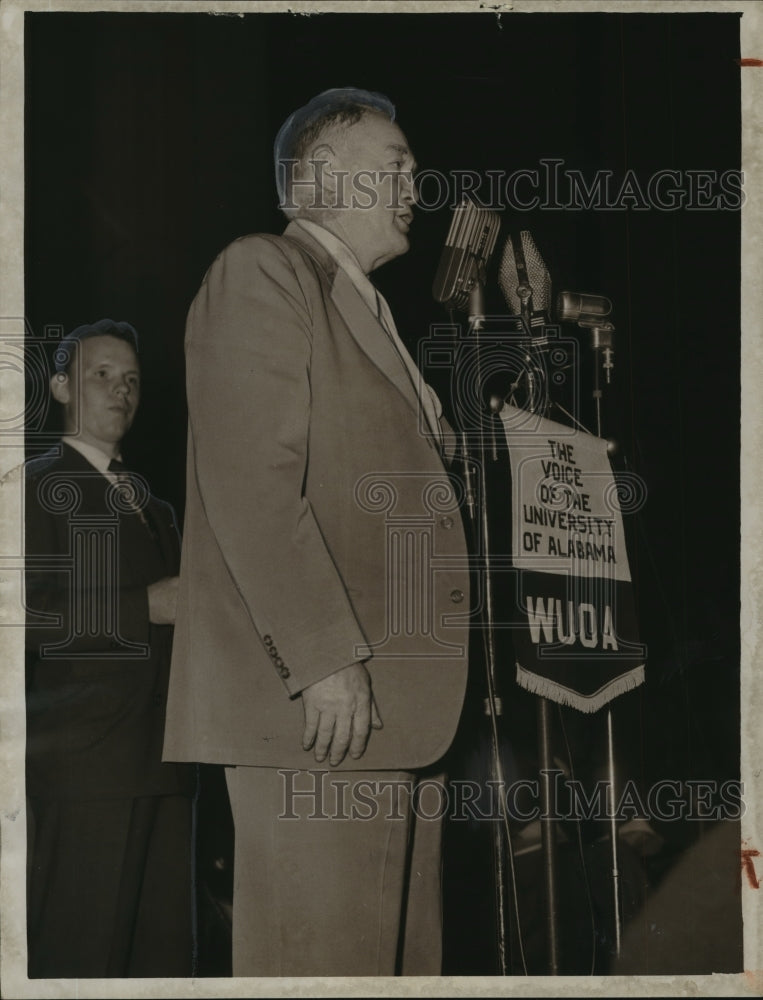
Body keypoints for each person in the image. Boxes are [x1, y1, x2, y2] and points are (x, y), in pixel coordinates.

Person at [163, 88, 471, 977]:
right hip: (322, 704)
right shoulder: (263, 271)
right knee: (323, 966)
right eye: (395, 163)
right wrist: (324, 656)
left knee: (387, 969)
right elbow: (251, 486)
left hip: (398, 711)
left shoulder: (367, 309)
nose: (416, 181)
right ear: (322, 172)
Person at [24, 319, 196, 978]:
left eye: (130, 380)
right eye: (101, 375)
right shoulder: (32, 486)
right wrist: (144, 606)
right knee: (81, 961)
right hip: (85, 769)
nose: (118, 391)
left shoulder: (154, 503)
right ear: (63, 385)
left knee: (162, 966)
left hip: (168, 763)